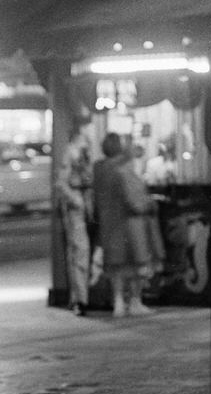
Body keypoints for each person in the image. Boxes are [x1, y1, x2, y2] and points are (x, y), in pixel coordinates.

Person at [92, 132, 157, 317]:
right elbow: (133, 199)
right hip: (128, 223)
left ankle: (118, 302)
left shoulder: (99, 168)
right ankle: (135, 301)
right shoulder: (123, 169)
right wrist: (149, 204)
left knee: (116, 266)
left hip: (108, 222)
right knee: (137, 264)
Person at [55, 126, 94, 315]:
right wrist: (75, 199)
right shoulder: (72, 152)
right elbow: (62, 182)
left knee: (81, 252)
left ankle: (79, 296)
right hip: (76, 207)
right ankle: (80, 298)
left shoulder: (86, 152)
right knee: (80, 250)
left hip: (85, 204)